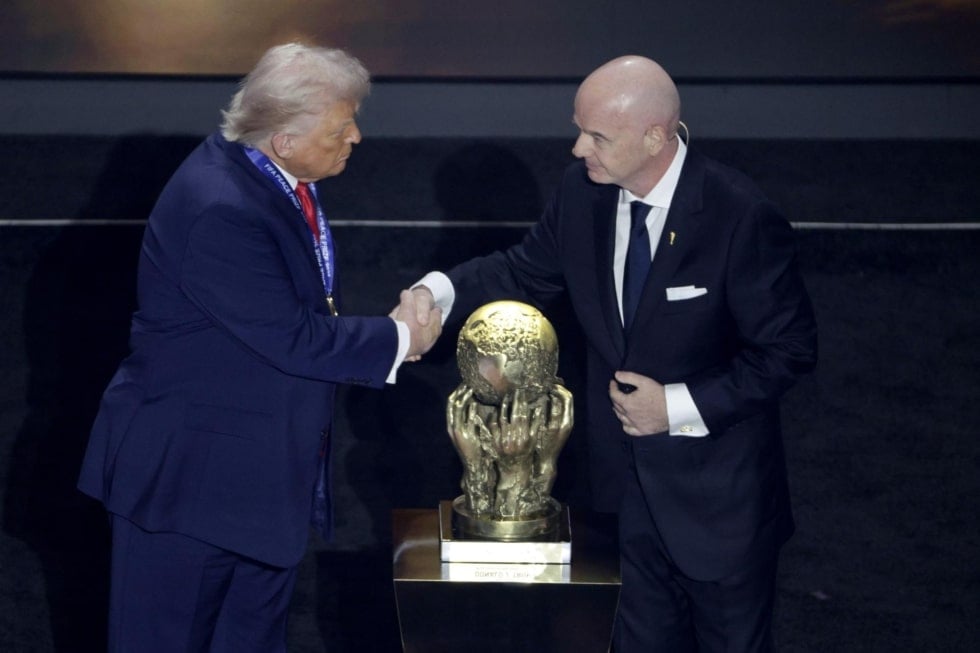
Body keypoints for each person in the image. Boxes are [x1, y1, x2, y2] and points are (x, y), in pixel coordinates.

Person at [406, 55, 817, 652]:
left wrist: (674, 407)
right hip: (620, 502)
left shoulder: (738, 215)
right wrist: (434, 294)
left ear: (655, 137)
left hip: (719, 512)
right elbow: (523, 271)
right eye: (580, 130)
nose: (578, 149)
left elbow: (788, 349)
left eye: (597, 136)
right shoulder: (584, 194)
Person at [77, 43, 441, 652]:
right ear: (284, 140)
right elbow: (291, 336)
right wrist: (402, 336)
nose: (355, 136)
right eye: (340, 128)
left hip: (255, 487)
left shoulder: (267, 176)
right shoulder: (220, 208)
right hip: (189, 493)